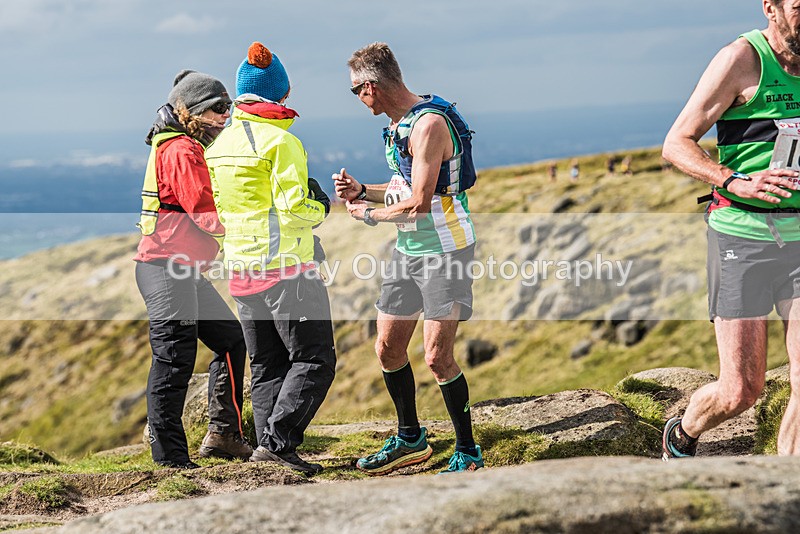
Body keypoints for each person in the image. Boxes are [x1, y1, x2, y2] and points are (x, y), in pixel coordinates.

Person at [334, 42, 483, 475]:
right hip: (409, 250)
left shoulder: (429, 125)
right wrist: (363, 190)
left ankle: (468, 451)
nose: (357, 99)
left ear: (370, 88)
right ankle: (410, 438)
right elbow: (406, 183)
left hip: (446, 250)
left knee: (437, 357)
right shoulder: (400, 123)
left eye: (354, 91)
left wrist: (368, 214)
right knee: (387, 348)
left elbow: (419, 202)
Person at [662, 0, 800, 459]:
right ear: (772, 9)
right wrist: (736, 180)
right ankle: (681, 435)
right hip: (742, 237)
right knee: (740, 391)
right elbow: (677, 142)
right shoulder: (741, 60)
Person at [205, 42, 336, 475]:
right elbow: (298, 209)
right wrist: (322, 206)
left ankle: (268, 450)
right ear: (280, 93)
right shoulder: (281, 142)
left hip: (240, 271)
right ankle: (278, 446)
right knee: (315, 359)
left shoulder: (216, 145)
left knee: (267, 364)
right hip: (287, 269)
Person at [134, 70, 251, 469]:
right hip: (167, 269)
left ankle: (224, 433)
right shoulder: (183, 150)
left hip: (178, 269)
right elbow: (205, 214)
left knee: (233, 340)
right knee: (173, 360)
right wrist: (257, 228)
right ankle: (171, 459)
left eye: (229, 108)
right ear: (193, 111)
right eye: (219, 109)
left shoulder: (178, 143)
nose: (226, 117)